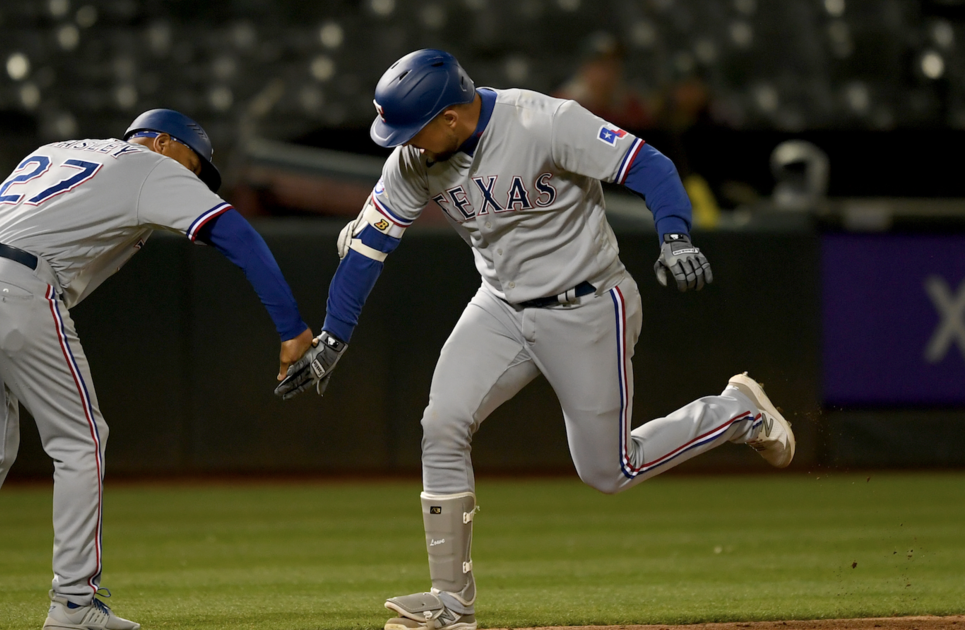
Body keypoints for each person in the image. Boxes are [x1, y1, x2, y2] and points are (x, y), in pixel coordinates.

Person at [275, 49, 795, 630]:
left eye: (411, 129)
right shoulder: (412, 162)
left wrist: (674, 235)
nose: (403, 143)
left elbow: (650, 165)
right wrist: (334, 338)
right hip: (499, 306)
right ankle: (451, 604)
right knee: (442, 424)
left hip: (590, 304)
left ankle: (736, 412)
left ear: (450, 117)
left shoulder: (541, 121)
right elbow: (368, 249)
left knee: (608, 470)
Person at [0, 109, 314, 630]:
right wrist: (292, 328)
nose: (195, 181)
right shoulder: (151, 166)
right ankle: (74, 604)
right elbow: (240, 238)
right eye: (195, 165)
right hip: (16, 286)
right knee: (81, 440)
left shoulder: (54, 152)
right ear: (162, 142)